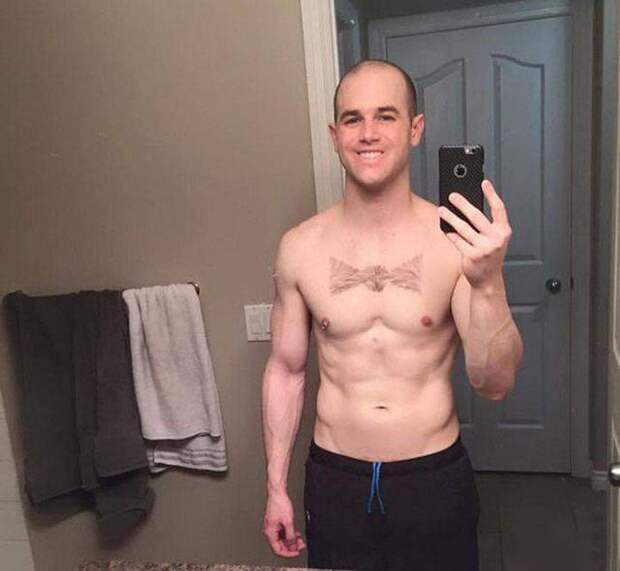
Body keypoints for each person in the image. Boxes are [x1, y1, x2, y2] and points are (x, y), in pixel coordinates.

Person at [261, 58, 524, 571]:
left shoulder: (456, 244)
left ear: (415, 129)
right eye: (353, 119)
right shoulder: (299, 248)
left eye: (386, 116)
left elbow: (494, 383)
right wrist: (275, 488)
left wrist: (488, 281)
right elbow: (286, 371)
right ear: (335, 136)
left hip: (431, 477)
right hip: (335, 478)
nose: (368, 133)